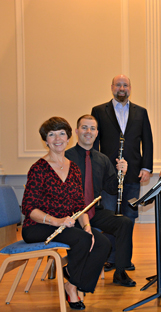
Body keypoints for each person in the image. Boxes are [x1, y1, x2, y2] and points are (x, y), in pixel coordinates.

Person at [21, 117, 111, 310]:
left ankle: (73, 282)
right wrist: (56, 221)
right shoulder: (38, 168)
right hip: (39, 226)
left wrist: (87, 227)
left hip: (66, 224)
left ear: (68, 137)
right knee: (82, 240)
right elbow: (29, 208)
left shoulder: (74, 168)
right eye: (51, 134)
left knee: (102, 242)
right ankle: (72, 290)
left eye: (62, 133)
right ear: (45, 140)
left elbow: (80, 206)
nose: (57, 138)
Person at [65, 115, 136, 287]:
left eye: (92, 128)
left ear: (97, 133)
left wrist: (122, 174)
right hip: (70, 216)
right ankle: (75, 272)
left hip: (94, 211)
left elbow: (111, 188)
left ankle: (120, 271)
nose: (88, 132)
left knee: (124, 222)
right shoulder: (66, 157)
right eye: (84, 127)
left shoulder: (102, 159)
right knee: (93, 240)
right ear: (76, 131)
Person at [91, 74, 153, 269]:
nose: (122, 88)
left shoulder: (141, 112)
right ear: (112, 87)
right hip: (107, 174)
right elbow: (94, 142)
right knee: (109, 216)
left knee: (128, 216)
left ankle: (124, 259)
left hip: (134, 173)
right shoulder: (99, 111)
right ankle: (110, 258)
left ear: (130, 88)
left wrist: (146, 167)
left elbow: (147, 141)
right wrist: (95, 169)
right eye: (118, 85)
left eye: (125, 85)